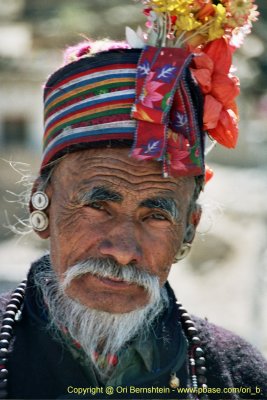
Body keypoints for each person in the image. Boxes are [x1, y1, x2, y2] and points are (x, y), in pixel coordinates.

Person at [0, 1, 266, 399]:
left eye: (156, 215)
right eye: (97, 206)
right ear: (43, 202)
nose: (123, 251)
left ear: (188, 228)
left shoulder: (235, 377)